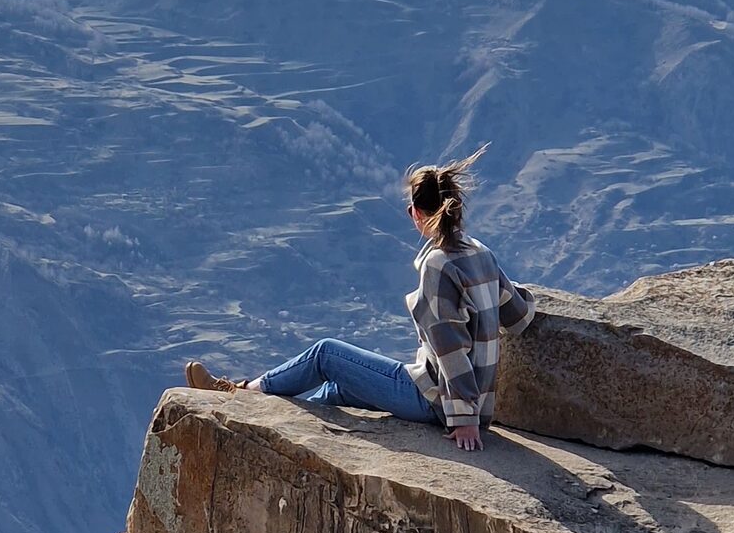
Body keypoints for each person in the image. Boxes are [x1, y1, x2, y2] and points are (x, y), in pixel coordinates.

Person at [185, 156, 534, 452]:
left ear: (415, 213)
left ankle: (243, 394)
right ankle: (261, 430)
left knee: (327, 355)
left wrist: (464, 418)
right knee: (336, 390)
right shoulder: (482, 254)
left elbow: (450, 346)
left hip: (437, 401)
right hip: (469, 400)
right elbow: (518, 315)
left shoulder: (439, 265)